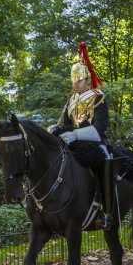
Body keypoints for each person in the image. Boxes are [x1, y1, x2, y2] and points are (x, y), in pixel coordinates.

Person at [50, 42, 114, 229]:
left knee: (105, 160)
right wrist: (56, 129)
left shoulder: (98, 97)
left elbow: (100, 127)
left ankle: (106, 210)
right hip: (72, 142)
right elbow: (63, 123)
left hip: (94, 142)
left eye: (79, 80)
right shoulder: (72, 100)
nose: (75, 83)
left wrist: (76, 134)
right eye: (74, 79)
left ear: (87, 80)